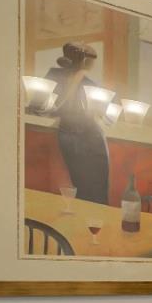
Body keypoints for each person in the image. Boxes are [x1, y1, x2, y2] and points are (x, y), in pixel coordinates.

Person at [44, 42, 111, 205]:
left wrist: (101, 113)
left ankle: (96, 220)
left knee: (99, 186)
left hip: (92, 135)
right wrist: (76, 79)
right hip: (70, 134)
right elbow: (50, 107)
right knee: (81, 184)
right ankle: (86, 220)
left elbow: (103, 115)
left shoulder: (91, 84)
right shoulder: (55, 75)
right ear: (83, 60)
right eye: (90, 60)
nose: (92, 65)